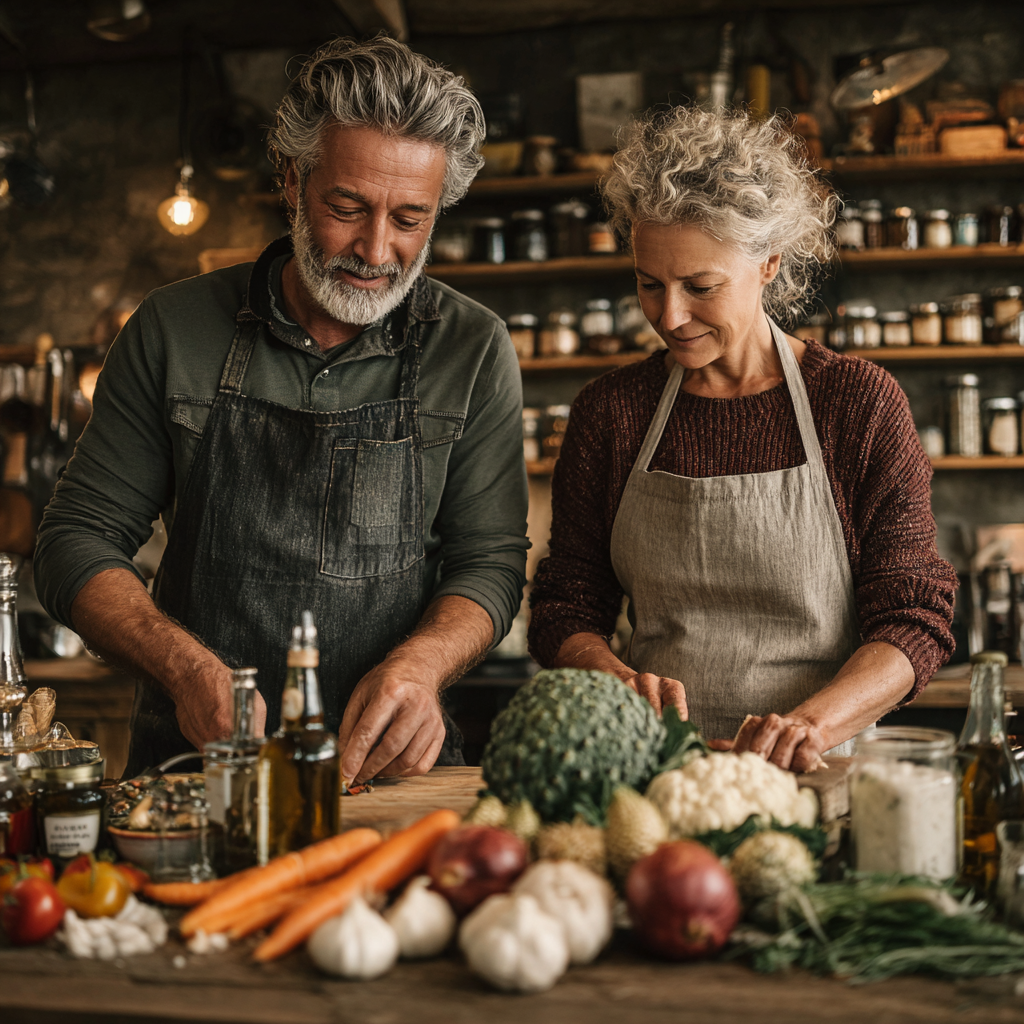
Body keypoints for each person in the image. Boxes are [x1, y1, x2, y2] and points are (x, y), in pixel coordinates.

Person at [34, 37, 528, 784]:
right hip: (197, 765)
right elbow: (74, 540)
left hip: (391, 769)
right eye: (347, 207)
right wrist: (185, 669)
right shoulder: (174, 328)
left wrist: (423, 668)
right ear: (291, 180)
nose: (376, 249)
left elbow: (488, 561)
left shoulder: (473, 347)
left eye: (410, 219)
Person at [528, 107, 957, 772]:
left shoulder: (857, 405)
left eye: (700, 287)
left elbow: (913, 619)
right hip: (657, 770)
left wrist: (809, 726)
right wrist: (607, 675)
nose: (668, 316)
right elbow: (566, 602)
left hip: (824, 768)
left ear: (769, 265)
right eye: (648, 284)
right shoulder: (611, 412)